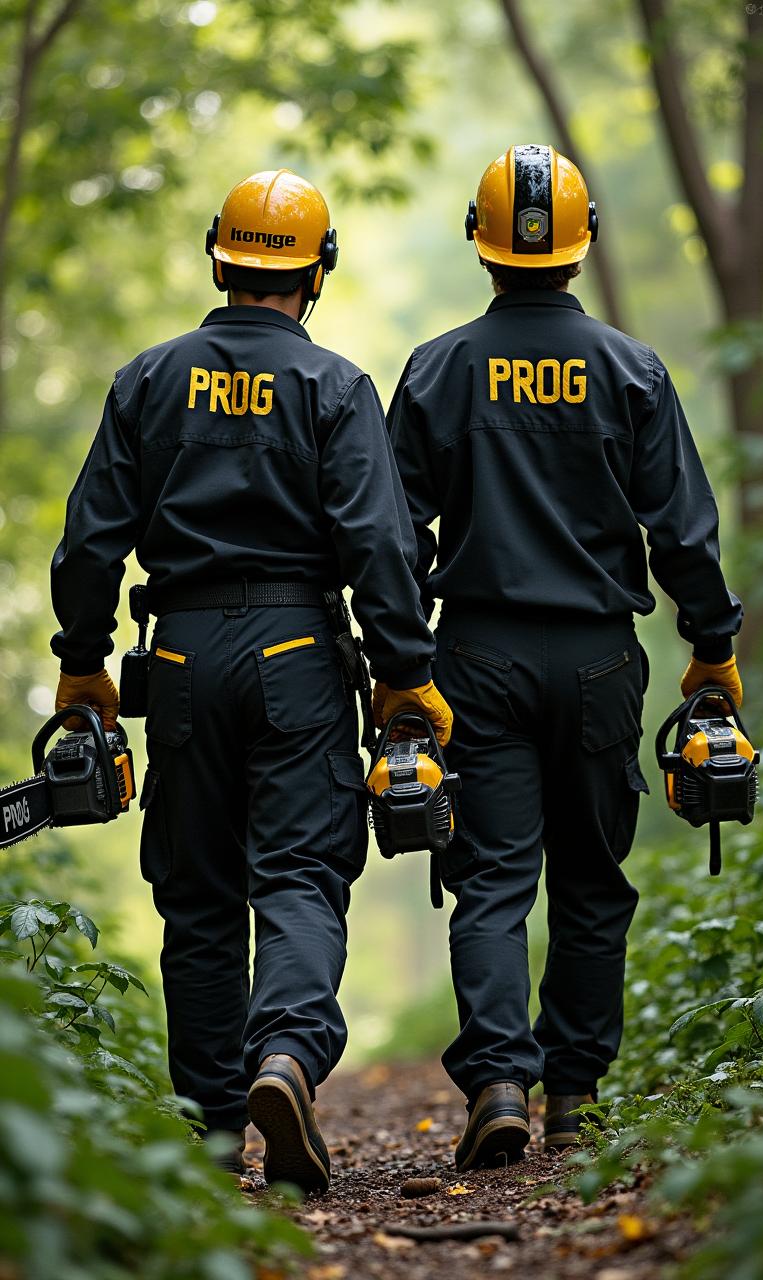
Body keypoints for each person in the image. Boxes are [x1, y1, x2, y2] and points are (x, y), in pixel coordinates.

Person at [50, 169, 452, 1192]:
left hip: (178, 656)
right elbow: (379, 543)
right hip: (297, 657)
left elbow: (92, 541)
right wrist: (405, 673)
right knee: (301, 876)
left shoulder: (148, 379)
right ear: (315, 270)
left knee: (196, 896)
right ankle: (284, 1055)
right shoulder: (334, 387)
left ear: (217, 256)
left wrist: (83, 662)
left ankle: (216, 1128)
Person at [385, 144, 743, 1171]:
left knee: (491, 879)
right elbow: (681, 529)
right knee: (591, 877)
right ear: (583, 247)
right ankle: (575, 1093)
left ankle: (498, 1078)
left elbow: (394, 532)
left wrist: (402, 660)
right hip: (596, 659)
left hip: (477, 654)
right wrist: (711, 643)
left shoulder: (439, 367)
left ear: (478, 240)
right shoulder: (631, 369)